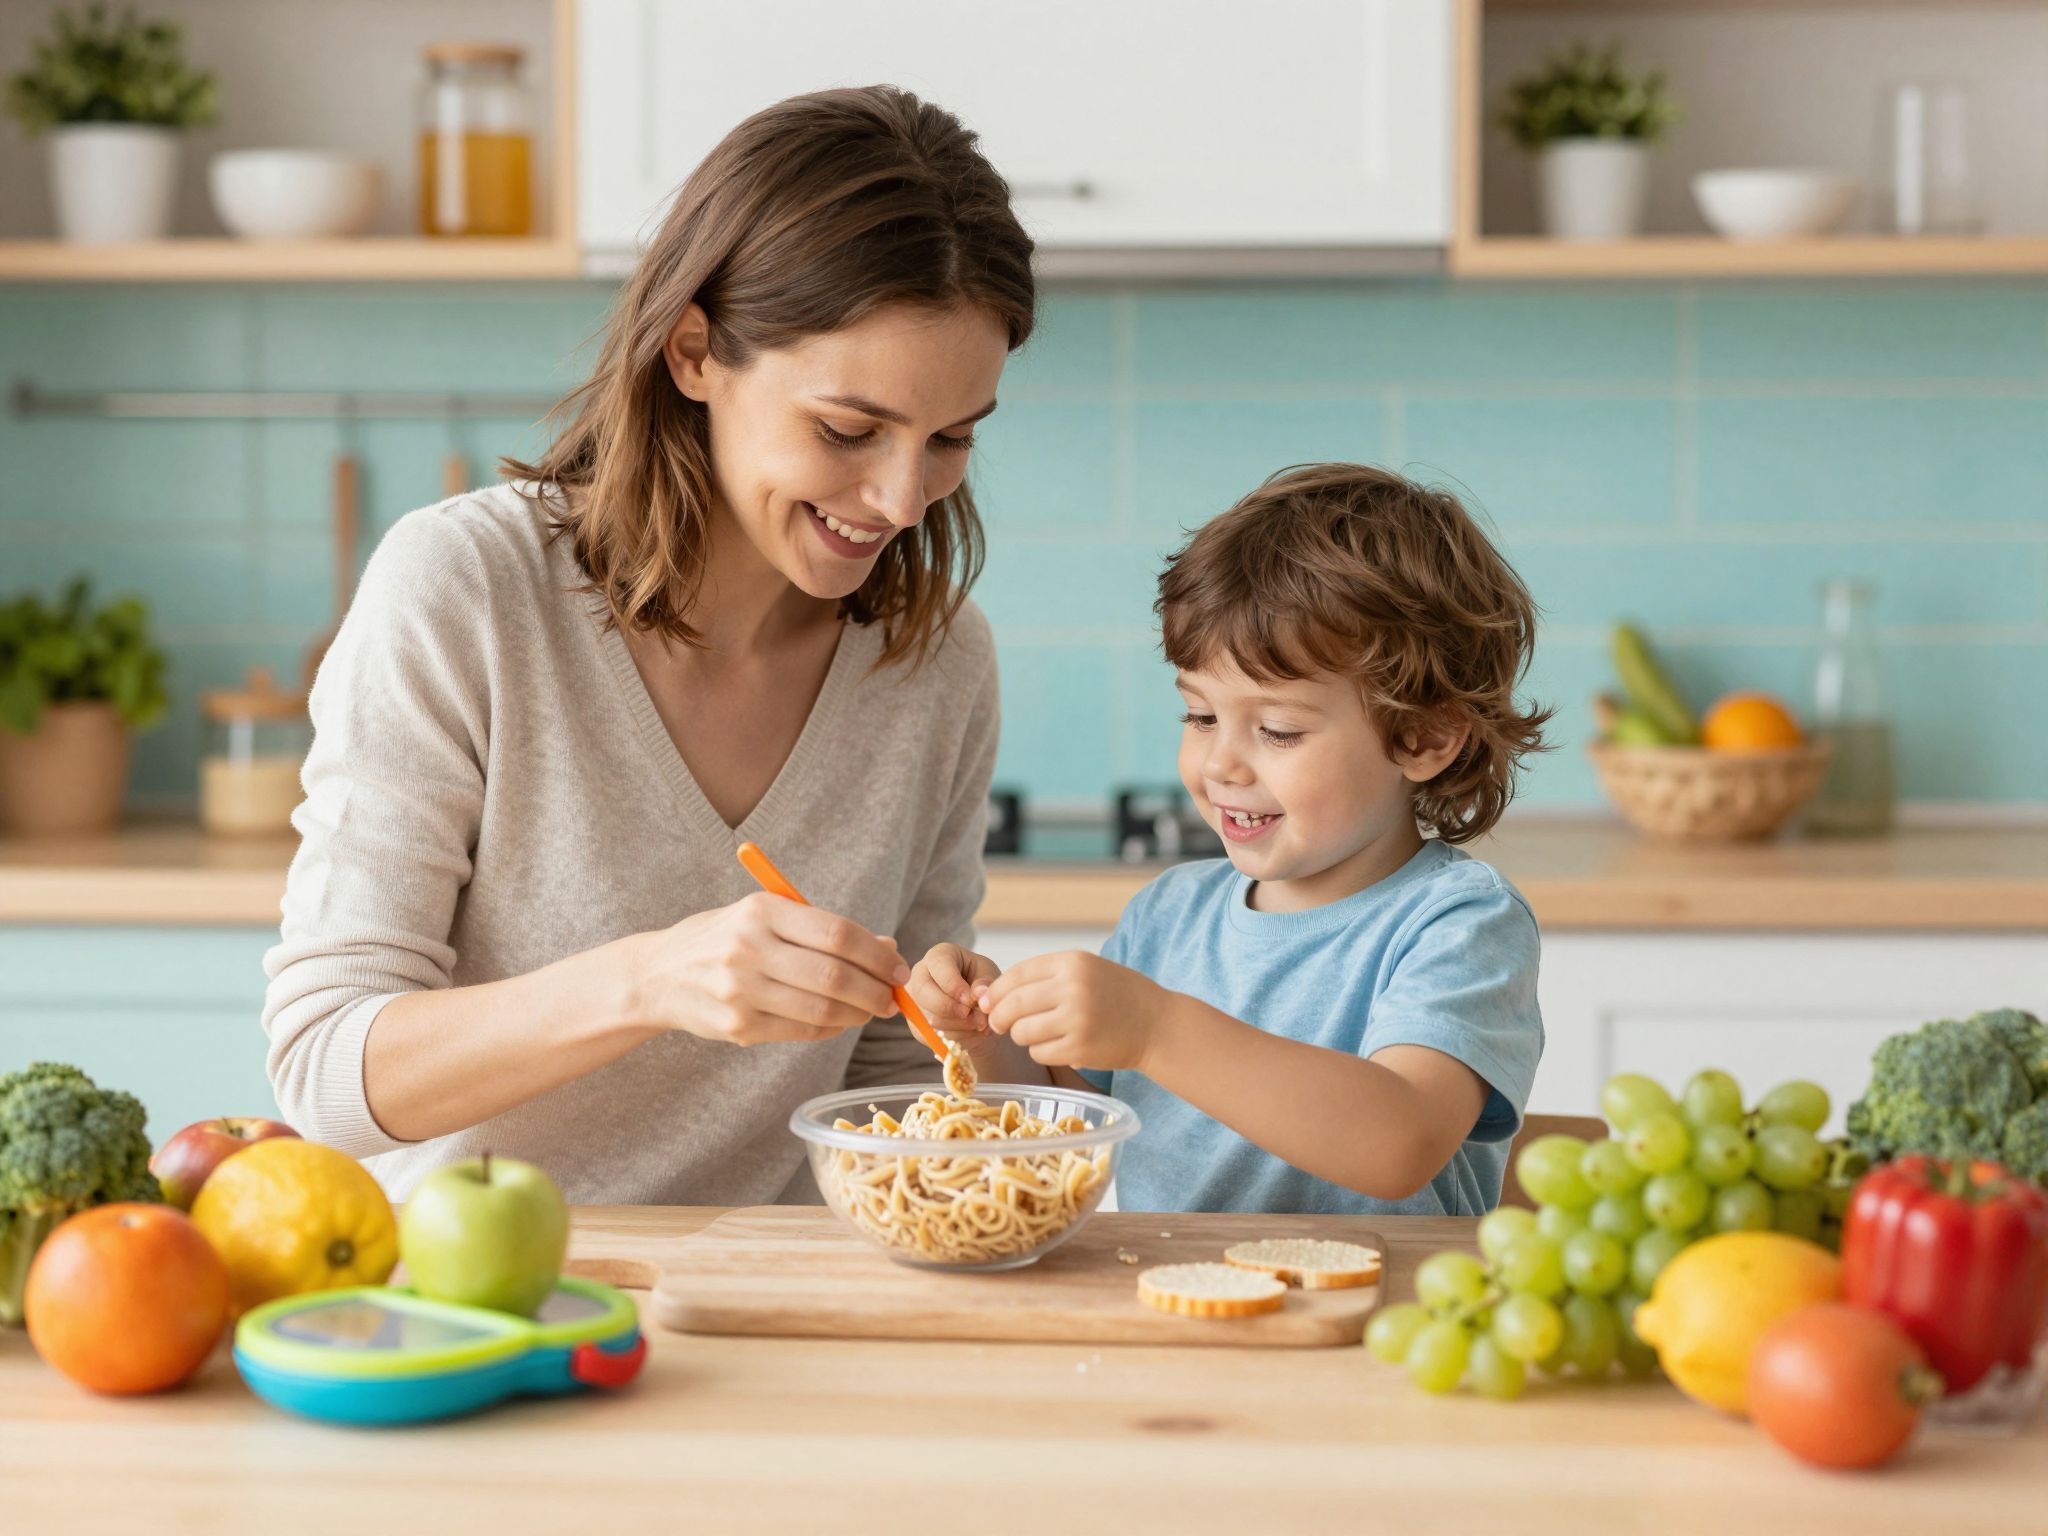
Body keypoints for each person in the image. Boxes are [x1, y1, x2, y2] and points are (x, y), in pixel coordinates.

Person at [261, 86, 1035, 1203]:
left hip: (767, 1310)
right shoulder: (466, 591)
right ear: (692, 353)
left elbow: (893, 1079)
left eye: (951, 438)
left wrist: (984, 1039)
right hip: (473, 1306)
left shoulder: (935, 660)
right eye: (847, 430)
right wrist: (648, 980)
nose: (902, 498)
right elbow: (323, 1070)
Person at [914, 464, 1551, 1215]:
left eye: (1277, 730)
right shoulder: (1169, 915)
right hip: (1182, 1312)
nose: (1220, 763)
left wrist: (1155, 1028)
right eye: (1201, 716)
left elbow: (1400, 1141)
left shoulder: (1458, 923)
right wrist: (988, 1041)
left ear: (1425, 735)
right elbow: (1065, 1123)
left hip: (1381, 1317)